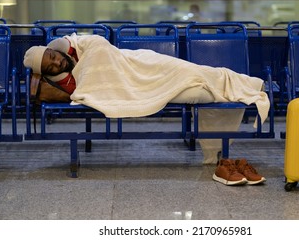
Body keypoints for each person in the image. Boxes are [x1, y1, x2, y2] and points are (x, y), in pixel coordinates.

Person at [24, 34, 267, 185]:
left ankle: (243, 83)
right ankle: (230, 97)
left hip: (141, 62)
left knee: (194, 72)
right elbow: (87, 88)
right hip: (135, 82)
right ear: (48, 74)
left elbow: (101, 47)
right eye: (51, 66)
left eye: (53, 56)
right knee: (201, 93)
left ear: (55, 49)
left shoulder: (79, 43)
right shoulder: (65, 80)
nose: (57, 62)